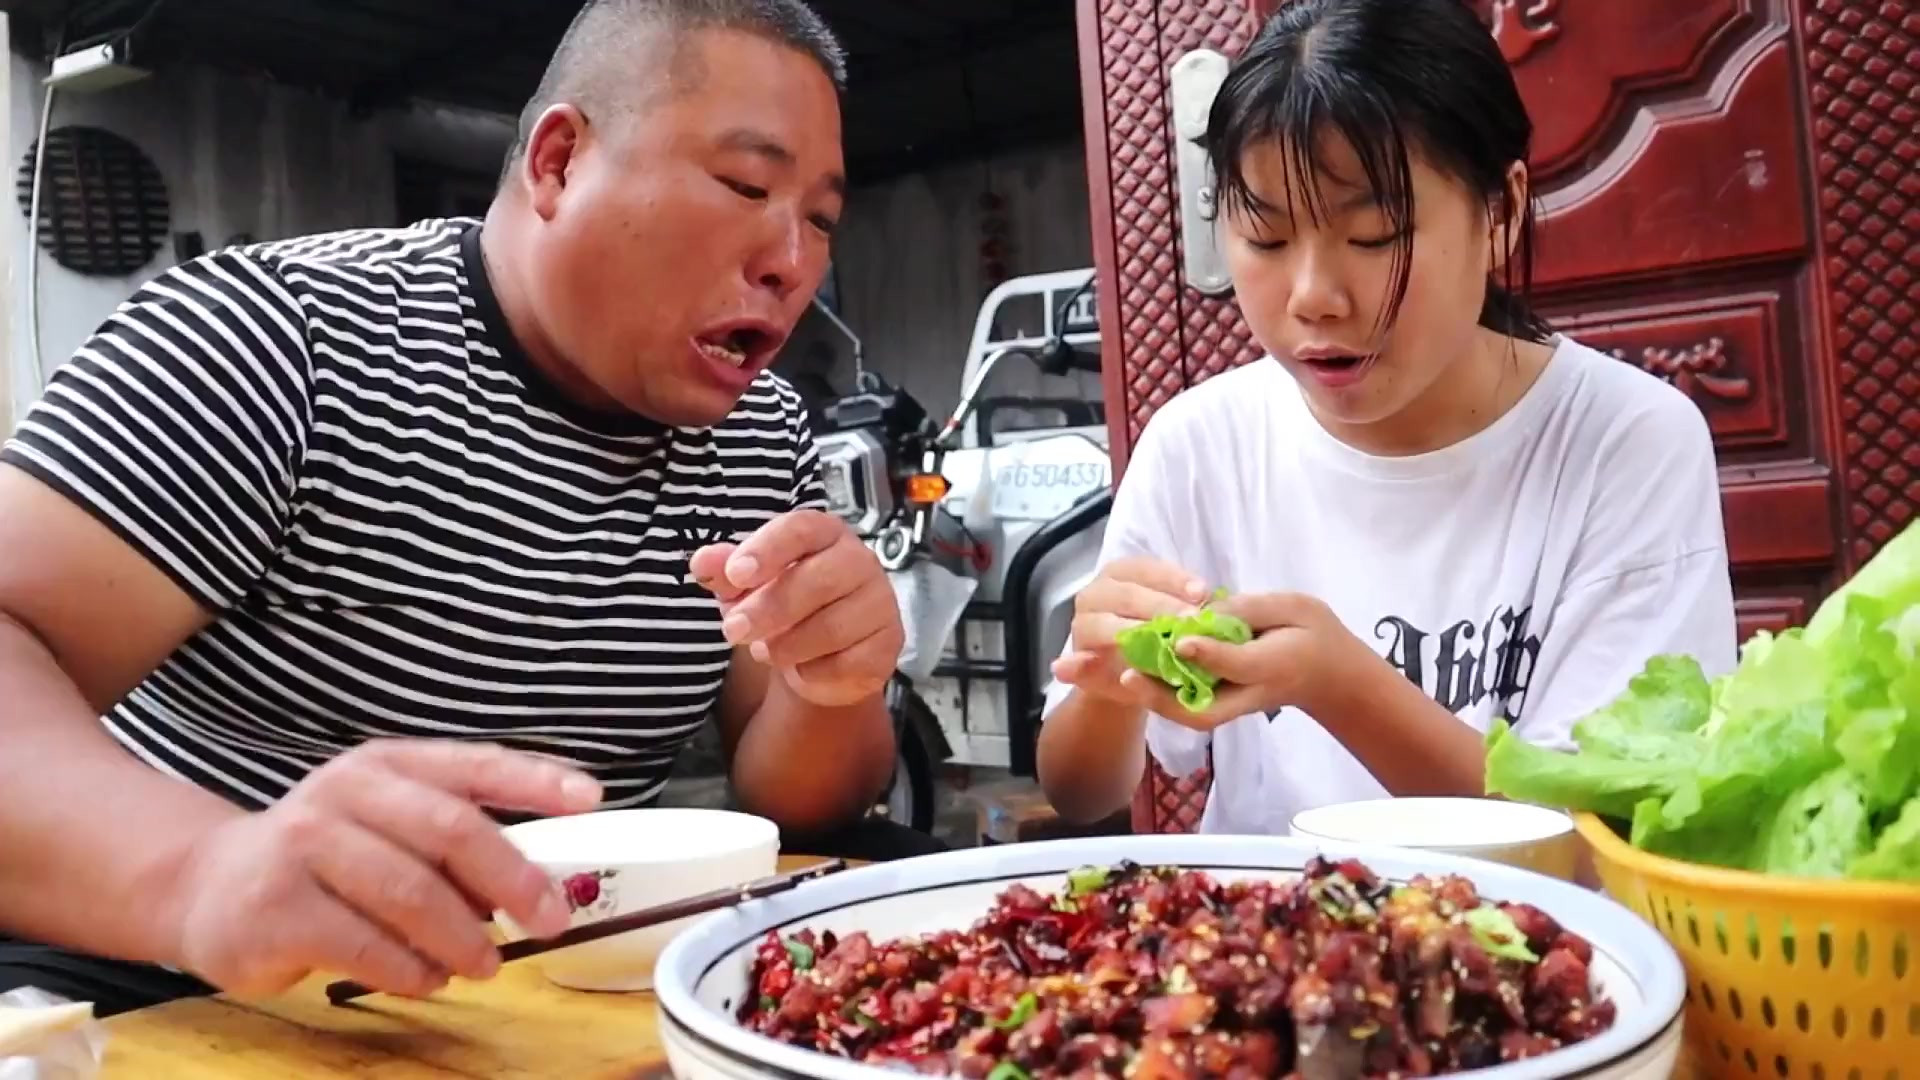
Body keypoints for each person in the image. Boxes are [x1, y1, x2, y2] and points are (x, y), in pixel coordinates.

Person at [0, 0, 939, 1017]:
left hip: (557, 983)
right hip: (167, 985)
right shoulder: (280, 342)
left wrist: (834, 681)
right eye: (745, 185)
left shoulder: (761, 437)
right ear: (559, 162)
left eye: (821, 219)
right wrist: (197, 874)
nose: (791, 261)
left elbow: (798, 803)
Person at [1036, 0, 1737, 833]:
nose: (1313, 298)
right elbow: (1081, 792)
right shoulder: (1200, 444)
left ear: (1501, 212)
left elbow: (1608, 831)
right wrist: (1106, 676)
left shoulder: (1625, 441)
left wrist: (1341, 684)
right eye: (1264, 240)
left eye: (1375, 236)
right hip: (1260, 950)